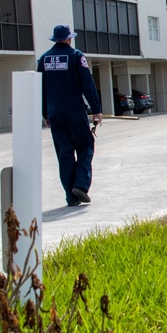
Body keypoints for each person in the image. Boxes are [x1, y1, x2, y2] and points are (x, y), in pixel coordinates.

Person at [37, 25, 103, 206]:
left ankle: (71, 196)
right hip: (74, 111)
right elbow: (87, 84)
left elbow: (40, 89)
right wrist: (96, 109)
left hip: (54, 113)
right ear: (69, 38)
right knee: (86, 146)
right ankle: (81, 185)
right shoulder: (76, 56)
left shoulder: (43, 59)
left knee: (64, 153)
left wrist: (45, 113)